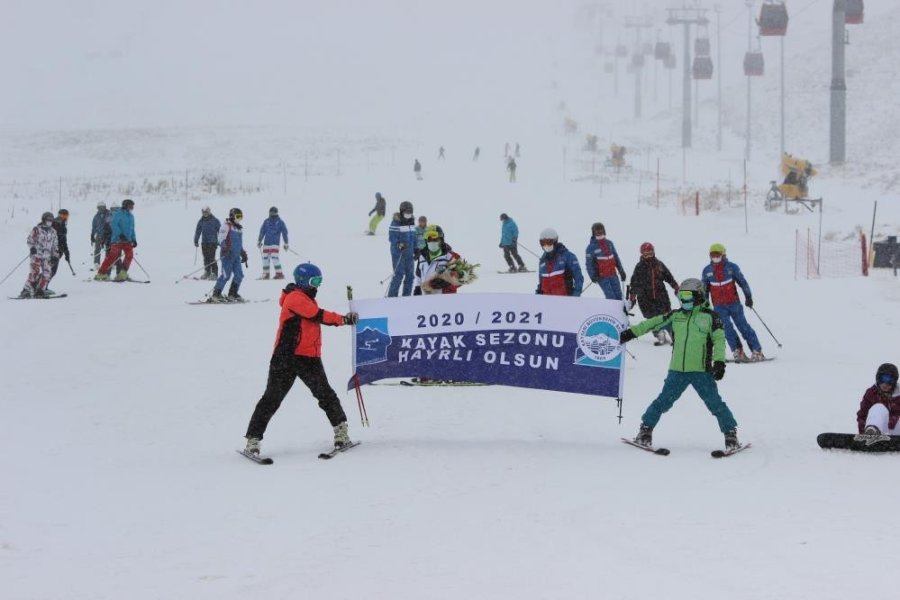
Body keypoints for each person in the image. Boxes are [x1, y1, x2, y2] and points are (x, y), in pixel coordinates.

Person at [244, 262, 360, 457]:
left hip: (308, 357)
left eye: (320, 281)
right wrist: (344, 320)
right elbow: (318, 316)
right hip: (286, 358)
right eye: (315, 281)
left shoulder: (304, 297)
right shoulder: (295, 299)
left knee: (325, 395)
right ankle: (253, 440)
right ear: (302, 281)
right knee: (272, 398)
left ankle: (341, 432)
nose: (317, 285)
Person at [619, 278, 740, 450]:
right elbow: (652, 322)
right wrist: (631, 333)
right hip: (677, 371)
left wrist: (719, 362)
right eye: (680, 296)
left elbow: (719, 340)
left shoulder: (711, 318)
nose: (683, 300)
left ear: (698, 295)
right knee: (663, 401)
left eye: (687, 296)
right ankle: (645, 430)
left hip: (701, 372)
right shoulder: (676, 316)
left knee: (715, 403)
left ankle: (730, 434)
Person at [700, 243, 764, 362]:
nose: (715, 257)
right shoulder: (707, 271)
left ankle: (757, 350)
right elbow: (704, 289)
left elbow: (743, 282)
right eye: (712, 255)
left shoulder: (731, 267)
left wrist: (748, 297)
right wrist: (704, 304)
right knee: (726, 328)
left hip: (733, 303)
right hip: (718, 306)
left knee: (743, 326)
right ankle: (737, 351)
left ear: (723, 254)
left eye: (717, 255)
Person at [628, 242, 679, 346]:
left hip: (660, 295)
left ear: (653, 252)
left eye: (650, 253)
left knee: (666, 316)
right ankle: (660, 336)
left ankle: (674, 336)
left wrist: (675, 286)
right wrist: (632, 296)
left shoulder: (659, 265)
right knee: (652, 318)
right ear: (642, 254)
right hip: (645, 298)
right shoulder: (639, 267)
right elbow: (634, 283)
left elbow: (668, 276)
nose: (648, 256)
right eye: (645, 254)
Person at [209, 208, 248, 302]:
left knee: (239, 275)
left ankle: (232, 294)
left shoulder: (238, 229)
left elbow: (239, 243)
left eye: (241, 217)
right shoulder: (226, 226)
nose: (239, 219)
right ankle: (216, 294)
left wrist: (242, 253)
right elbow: (221, 239)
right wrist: (225, 248)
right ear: (232, 216)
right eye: (237, 216)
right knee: (226, 275)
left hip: (236, 256)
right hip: (227, 255)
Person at [95, 199, 137, 281]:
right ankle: (101, 273)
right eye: (131, 205)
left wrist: (134, 239)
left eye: (133, 206)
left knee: (130, 255)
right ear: (126, 205)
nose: (132, 207)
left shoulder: (131, 216)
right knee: (112, 257)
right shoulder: (118, 214)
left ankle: (122, 273)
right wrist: (120, 234)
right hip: (117, 240)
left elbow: (132, 229)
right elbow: (114, 225)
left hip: (127, 240)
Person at [20, 212, 59, 298]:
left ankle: (40, 290)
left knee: (47, 274)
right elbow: (30, 240)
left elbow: (55, 245)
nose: (50, 222)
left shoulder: (53, 232)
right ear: (44, 220)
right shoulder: (37, 229)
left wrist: (55, 255)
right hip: (37, 255)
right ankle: (26, 290)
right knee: (34, 273)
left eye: (51, 220)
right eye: (48, 220)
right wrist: (32, 248)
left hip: (47, 257)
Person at [414, 225, 462, 295]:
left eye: (435, 239)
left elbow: (460, 278)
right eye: (429, 240)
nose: (432, 242)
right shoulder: (422, 257)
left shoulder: (451, 257)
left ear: (441, 240)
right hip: (425, 299)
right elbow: (418, 275)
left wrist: (441, 284)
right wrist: (417, 288)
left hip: (445, 299)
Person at [585, 222, 626, 300]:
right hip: (602, 277)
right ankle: (611, 311)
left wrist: (621, 271)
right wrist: (593, 276)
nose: (599, 233)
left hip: (613, 274)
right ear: (593, 233)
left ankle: (619, 311)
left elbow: (616, 257)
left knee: (618, 295)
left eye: (601, 231)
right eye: (597, 231)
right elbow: (588, 264)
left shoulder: (609, 243)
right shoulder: (591, 248)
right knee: (611, 297)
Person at [536, 227, 583, 296]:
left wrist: (575, 295)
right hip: (547, 302)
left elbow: (578, 277)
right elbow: (541, 283)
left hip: (564, 300)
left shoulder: (568, 256)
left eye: (549, 242)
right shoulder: (542, 261)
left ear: (555, 241)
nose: (546, 245)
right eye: (543, 243)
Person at [856, 364, 900, 435]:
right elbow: (862, 415)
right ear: (878, 378)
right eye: (883, 379)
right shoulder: (872, 393)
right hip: (879, 429)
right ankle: (872, 433)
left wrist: (894, 418)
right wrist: (862, 433)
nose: (885, 384)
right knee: (878, 407)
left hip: (895, 431)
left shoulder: (898, 395)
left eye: (890, 380)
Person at [387, 201, 417, 297]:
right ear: (401, 211)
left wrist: (416, 249)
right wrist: (399, 245)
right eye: (406, 212)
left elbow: (414, 237)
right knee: (399, 274)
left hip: (409, 253)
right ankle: (392, 296)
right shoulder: (396, 222)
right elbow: (392, 237)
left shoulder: (412, 222)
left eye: (410, 212)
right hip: (398, 253)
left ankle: (406, 297)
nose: (408, 214)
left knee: (410, 276)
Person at [257, 206, 289, 280]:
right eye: (271, 212)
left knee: (274, 257)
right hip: (266, 243)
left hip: (275, 243)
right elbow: (262, 231)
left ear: (276, 213)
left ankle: (279, 274)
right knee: (265, 258)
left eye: (274, 212)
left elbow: (284, 233)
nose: (272, 214)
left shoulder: (280, 222)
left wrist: (286, 243)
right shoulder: (266, 221)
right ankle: (266, 274)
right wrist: (259, 241)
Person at [194, 206, 221, 280]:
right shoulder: (201, 221)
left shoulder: (215, 220)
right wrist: (196, 240)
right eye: (203, 213)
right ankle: (207, 272)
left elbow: (221, 232)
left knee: (212, 258)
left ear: (209, 212)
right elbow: (198, 231)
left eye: (206, 212)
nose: (205, 214)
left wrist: (221, 242)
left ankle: (214, 273)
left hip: (212, 243)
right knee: (206, 258)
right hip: (204, 242)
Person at [49, 209, 70, 282]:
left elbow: (63, 240)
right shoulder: (56, 224)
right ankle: (41, 287)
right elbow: (60, 239)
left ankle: (41, 286)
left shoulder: (62, 225)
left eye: (66, 215)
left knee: (51, 270)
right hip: (53, 251)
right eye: (63, 215)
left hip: (58, 250)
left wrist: (66, 252)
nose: (65, 217)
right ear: (59, 215)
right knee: (51, 270)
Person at [91, 201, 109, 269]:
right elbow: (94, 226)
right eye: (99, 208)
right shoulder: (96, 216)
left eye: (102, 208)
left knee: (108, 249)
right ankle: (96, 263)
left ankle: (108, 263)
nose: (101, 209)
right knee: (97, 249)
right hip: (99, 235)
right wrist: (92, 235)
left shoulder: (109, 214)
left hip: (107, 235)